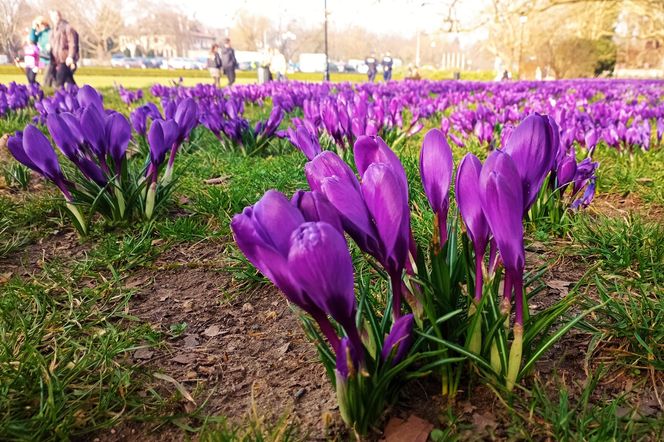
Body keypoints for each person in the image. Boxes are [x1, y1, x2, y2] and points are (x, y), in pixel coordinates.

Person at [48, 10, 79, 88]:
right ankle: (80, 95)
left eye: (57, 16)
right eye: (53, 16)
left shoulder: (67, 28)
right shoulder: (53, 30)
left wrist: (70, 56)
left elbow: (72, 43)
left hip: (65, 59)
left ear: (60, 16)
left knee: (59, 81)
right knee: (69, 80)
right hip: (56, 60)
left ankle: (59, 97)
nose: (55, 18)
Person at [29, 16, 52, 86]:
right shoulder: (40, 34)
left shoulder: (50, 32)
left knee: (47, 79)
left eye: (41, 24)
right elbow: (32, 40)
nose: (40, 26)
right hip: (42, 58)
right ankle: (37, 88)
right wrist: (33, 28)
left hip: (50, 58)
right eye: (38, 25)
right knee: (31, 77)